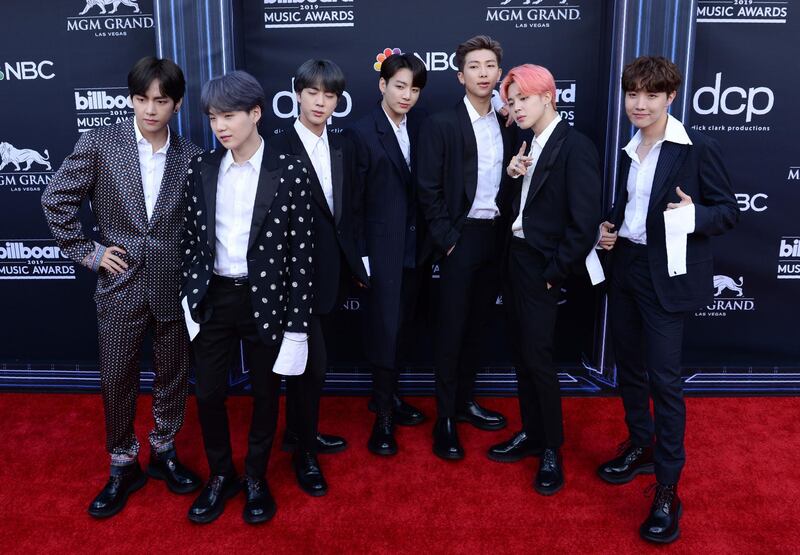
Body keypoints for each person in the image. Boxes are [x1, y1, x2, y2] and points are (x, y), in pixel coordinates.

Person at [41, 56, 203, 518]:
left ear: (175, 104)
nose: (150, 109)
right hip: (120, 285)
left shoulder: (191, 157)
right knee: (116, 379)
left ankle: (164, 451)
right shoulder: (99, 143)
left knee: (173, 375)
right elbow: (56, 200)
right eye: (141, 99)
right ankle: (122, 463)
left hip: (172, 287)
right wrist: (91, 253)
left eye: (161, 101)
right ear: (130, 99)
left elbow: (197, 227)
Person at [597, 55, 738, 543]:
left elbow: (728, 212)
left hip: (667, 276)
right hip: (627, 268)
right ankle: (641, 445)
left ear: (670, 97)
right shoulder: (629, 147)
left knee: (665, 381)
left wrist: (694, 213)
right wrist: (608, 229)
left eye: (651, 95)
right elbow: (628, 206)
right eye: (632, 94)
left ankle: (667, 488)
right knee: (629, 368)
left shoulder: (696, 148)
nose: (639, 104)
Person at [182, 70, 313, 524]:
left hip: (268, 300)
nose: (220, 125)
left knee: (263, 395)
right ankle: (222, 474)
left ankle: (255, 475)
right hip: (214, 298)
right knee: (209, 394)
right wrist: (189, 297)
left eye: (230, 115)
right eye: (214, 116)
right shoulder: (202, 168)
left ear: (256, 113)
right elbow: (190, 239)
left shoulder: (290, 169)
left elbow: (302, 254)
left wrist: (297, 326)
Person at [488, 64, 601, 495]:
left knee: (539, 359)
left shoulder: (576, 147)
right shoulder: (527, 143)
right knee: (521, 355)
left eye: (523, 99)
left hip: (542, 269)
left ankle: (552, 447)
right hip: (514, 260)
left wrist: (554, 273)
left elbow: (584, 222)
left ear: (548, 97)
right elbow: (514, 212)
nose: (515, 107)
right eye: (511, 101)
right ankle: (532, 434)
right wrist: (512, 177)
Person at [266, 59, 369, 495]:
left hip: (330, 273)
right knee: (311, 367)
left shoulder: (343, 143)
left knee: (312, 365)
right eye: (313, 93)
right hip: (290, 278)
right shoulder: (275, 146)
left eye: (330, 95)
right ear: (297, 93)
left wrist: (358, 262)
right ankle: (303, 450)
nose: (321, 102)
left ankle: (298, 433)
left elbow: (349, 211)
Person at [416, 35, 517, 460]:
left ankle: (466, 401)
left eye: (489, 65)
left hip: (498, 236)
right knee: (452, 329)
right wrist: (449, 241)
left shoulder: (510, 121)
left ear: (499, 74)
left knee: (478, 325)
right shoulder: (441, 124)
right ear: (460, 76)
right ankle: (445, 418)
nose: (482, 73)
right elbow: (428, 189)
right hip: (460, 238)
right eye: (473, 66)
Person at [344, 53, 429, 456]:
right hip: (379, 253)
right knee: (383, 331)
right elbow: (352, 203)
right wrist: (360, 257)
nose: (406, 95)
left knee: (405, 329)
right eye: (399, 86)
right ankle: (382, 417)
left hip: (415, 252)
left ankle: (390, 397)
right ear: (382, 85)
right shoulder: (362, 133)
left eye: (414, 89)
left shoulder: (422, 130)